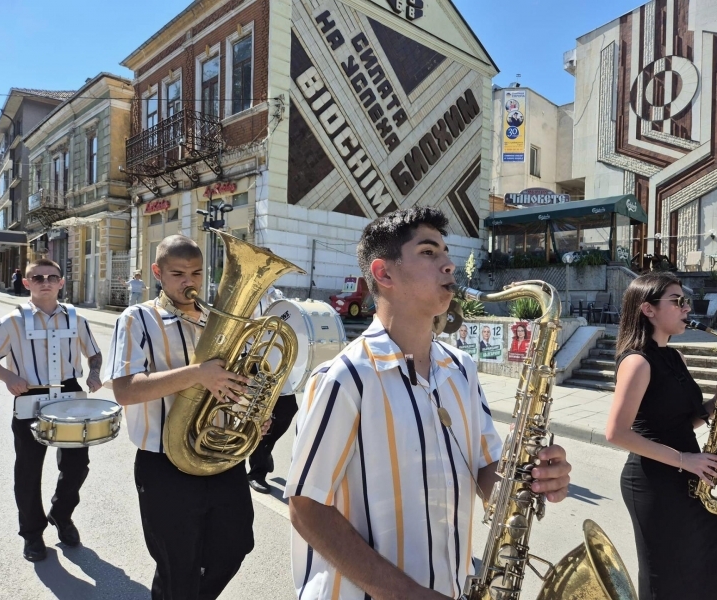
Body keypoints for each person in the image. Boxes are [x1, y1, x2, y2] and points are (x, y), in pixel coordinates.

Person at [286, 207, 570, 600]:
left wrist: (528, 479)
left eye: (446, 252)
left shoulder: (462, 368)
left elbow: (487, 467)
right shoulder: (344, 377)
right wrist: (406, 593)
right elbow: (306, 506)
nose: (450, 265)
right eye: (428, 252)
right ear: (384, 273)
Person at [104, 235, 261, 600]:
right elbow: (125, 390)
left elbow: (239, 380)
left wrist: (253, 413)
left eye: (196, 273)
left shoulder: (219, 320)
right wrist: (196, 374)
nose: (189, 282)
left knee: (234, 547)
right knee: (178, 565)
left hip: (221, 457)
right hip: (164, 463)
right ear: (158, 272)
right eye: (177, 273)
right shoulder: (137, 319)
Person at [606, 272, 717, 600]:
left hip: (689, 478)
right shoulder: (636, 362)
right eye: (678, 301)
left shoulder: (675, 356)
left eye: (685, 301)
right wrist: (686, 459)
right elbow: (616, 433)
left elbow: (680, 423)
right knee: (667, 580)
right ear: (648, 309)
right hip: (654, 484)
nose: (687, 307)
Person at [0, 258, 102, 562]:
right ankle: (32, 534)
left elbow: (94, 352)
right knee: (28, 471)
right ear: (27, 283)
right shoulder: (12, 321)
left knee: (77, 464)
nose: (45, 282)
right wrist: (10, 377)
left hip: (69, 396)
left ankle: (61, 515)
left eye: (52, 277)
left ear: (61, 282)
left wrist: (93, 373)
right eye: (37, 278)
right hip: (29, 397)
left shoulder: (76, 318)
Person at [247, 284, 299, 495]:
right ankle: (256, 472)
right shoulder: (248, 295)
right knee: (259, 416)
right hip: (253, 361)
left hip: (276, 360)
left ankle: (265, 451)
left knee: (288, 410)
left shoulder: (276, 296)